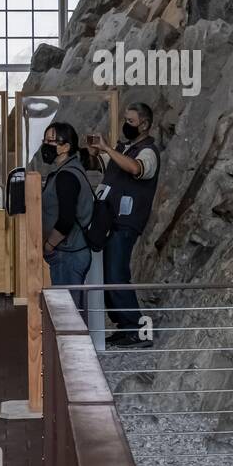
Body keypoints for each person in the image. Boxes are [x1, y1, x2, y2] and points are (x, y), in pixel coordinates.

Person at [88, 103, 161, 348]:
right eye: (125, 120)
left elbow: (135, 169)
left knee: (117, 273)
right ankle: (124, 325)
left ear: (144, 124)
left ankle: (136, 327)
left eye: (130, 121)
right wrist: (99, 151)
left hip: (126, 221)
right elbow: (108, 165)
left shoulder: (148, 152)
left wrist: (108, 147)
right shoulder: (124, 148)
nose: (126, 125)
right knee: (110, 274)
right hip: (110, 218)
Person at [40, 122, 95, 319]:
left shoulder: (66, 176)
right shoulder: (66, 171)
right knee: (68, 312)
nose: (45, 146)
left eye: (51, 141)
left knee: (69, 315)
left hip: (68, 253)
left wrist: (49, 245)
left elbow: (66, 219)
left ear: (65, 146)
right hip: (67, 252)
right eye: (44, 141)